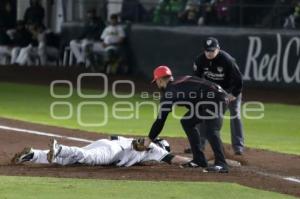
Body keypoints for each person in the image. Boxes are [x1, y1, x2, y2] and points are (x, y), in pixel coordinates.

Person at [143, 65, 230, 173]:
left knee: (211, 130)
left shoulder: (169, 93)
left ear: (160, 80)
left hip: (215, 99)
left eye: (156, 81)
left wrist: (149, 139)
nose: (157, 84)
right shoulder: (180, 81)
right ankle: (199, 160)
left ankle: (221, 164)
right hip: (212, 98)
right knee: (187, 121)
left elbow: (160, 120)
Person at [193, 37, 244, 155]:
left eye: (212, 50)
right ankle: (200, 144)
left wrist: (233, 94)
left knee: (235, 114)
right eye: (207, 51)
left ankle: (238, 147)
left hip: (230, 90)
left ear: (218, 49)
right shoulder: (200, 60)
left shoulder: (227, 60)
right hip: (214, 92)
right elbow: (196, 79)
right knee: (203, 113)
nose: (209, 53)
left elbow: (239, 80)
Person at [11, 136, 191, 167]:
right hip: (114, 151)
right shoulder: (155, 149)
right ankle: (60, 148)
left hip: (107, 143)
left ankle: (33, 154)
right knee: (87, 158)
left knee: (72, 160)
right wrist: (193, 162)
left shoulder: (147, 145)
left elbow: (136, 143)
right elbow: (174, 159)